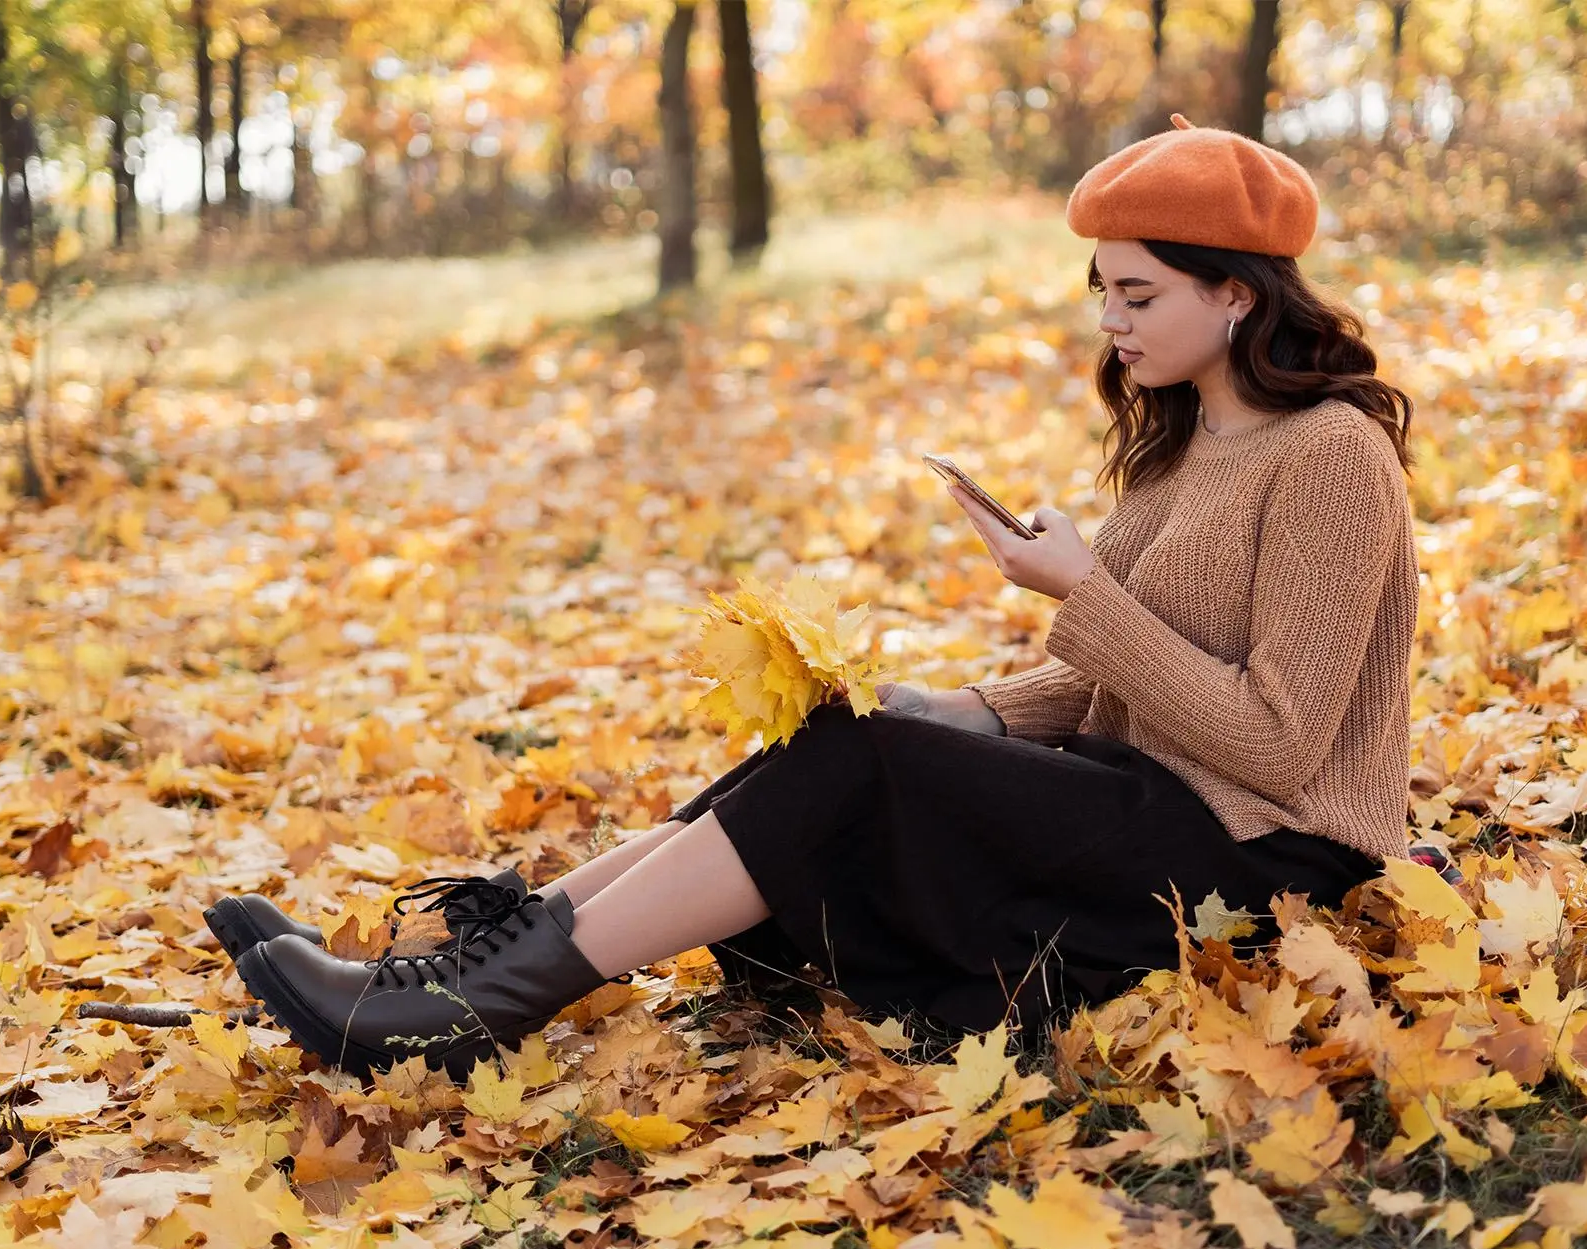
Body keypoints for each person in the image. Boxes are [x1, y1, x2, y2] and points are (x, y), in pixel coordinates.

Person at [210, 112, 1421, 1080]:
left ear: (1239, 295)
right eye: (1100, 291)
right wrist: (966, 709)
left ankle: (469, 1008)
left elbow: (1274, 739)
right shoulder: (1180, 440)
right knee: (843, 735)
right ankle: (441, 969)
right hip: (1156, 802)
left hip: (1269, 860)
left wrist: (1087, 590)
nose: (1110, 324)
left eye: (1139, 295)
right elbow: (1128, 683)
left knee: (862, 773)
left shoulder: (1329, 454)